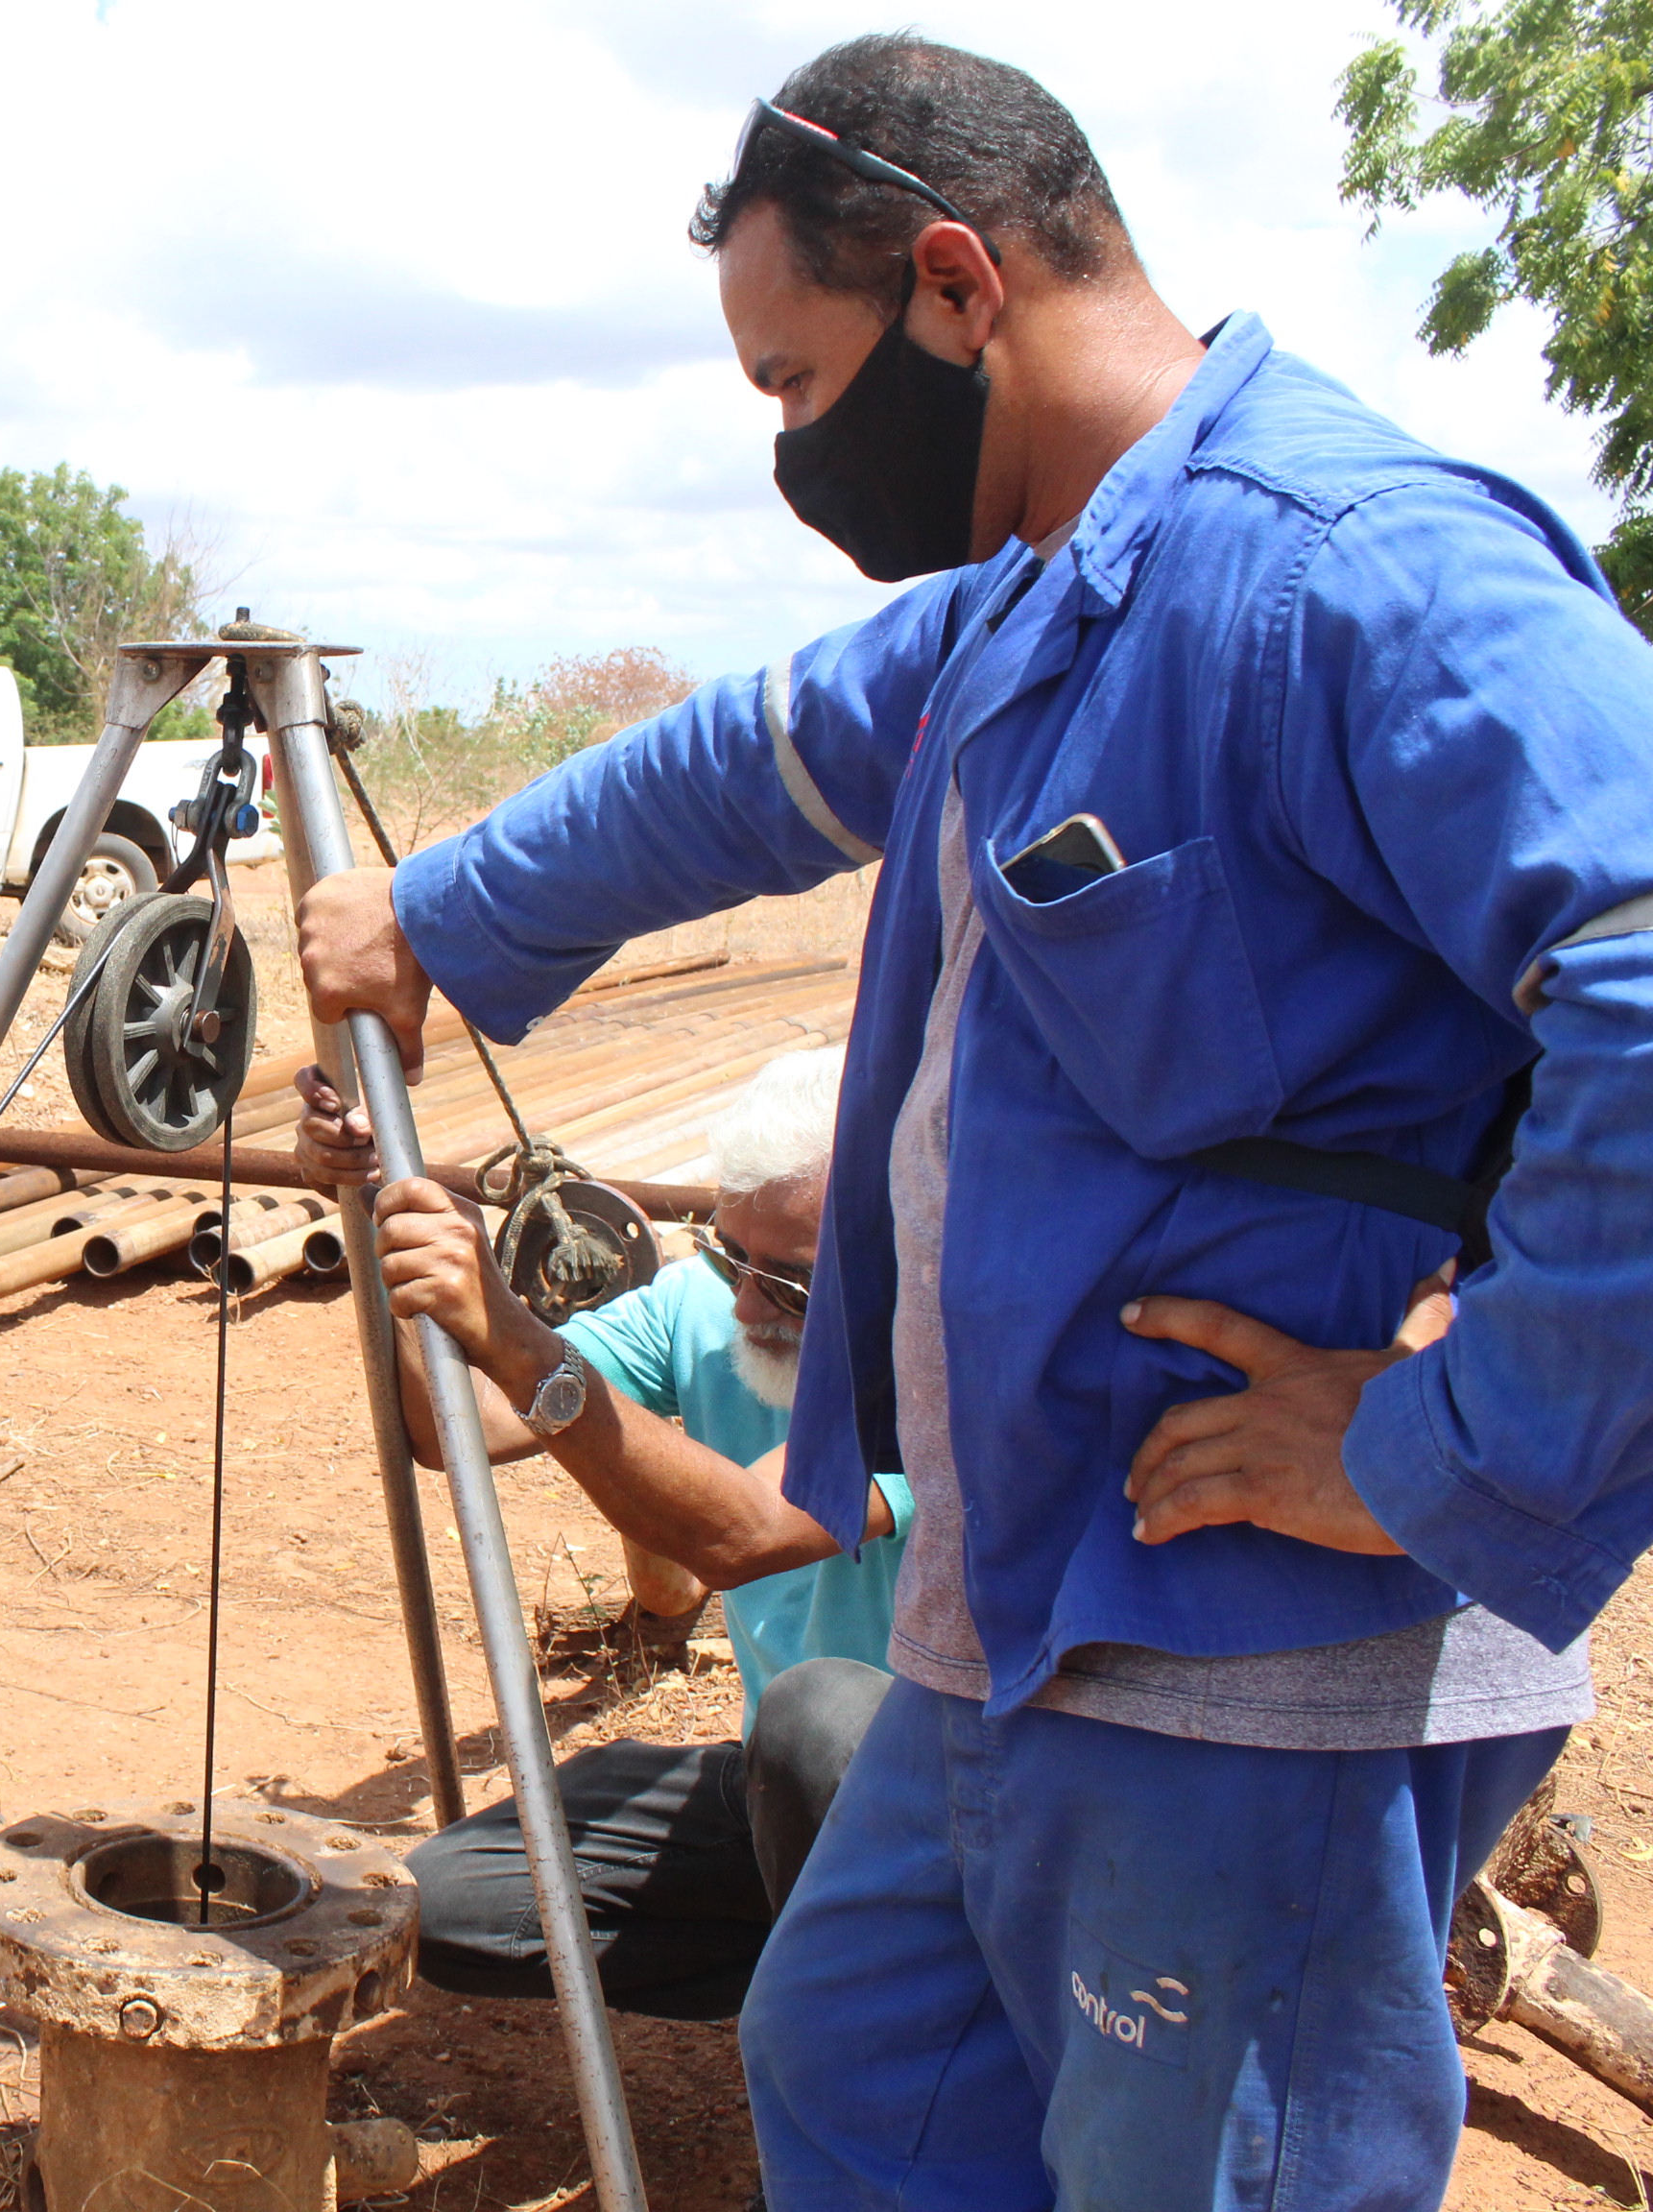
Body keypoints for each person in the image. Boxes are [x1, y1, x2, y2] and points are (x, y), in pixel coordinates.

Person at [295, 35, 1653, 2209]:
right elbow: (737, 763)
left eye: (790, 385)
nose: (789, 455)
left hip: (1245, 1656)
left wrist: (1435, 1451)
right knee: (855, 2066)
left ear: (949, 284)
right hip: (1012, 1616)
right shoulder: (1023, 612)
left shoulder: (1335, 570)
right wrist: (436, 915)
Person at [301, 1046, 900, 2021]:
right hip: (785, 1796)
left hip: (942, 1813)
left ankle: (883, 2056)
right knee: (447, 1904)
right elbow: (453, 1429)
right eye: (731, 1254)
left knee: (819, 1715)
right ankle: (827, 1980)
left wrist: (513, 1333)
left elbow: (740, 1534)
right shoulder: (711, 1308)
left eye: (788, 1282)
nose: (746, 1305)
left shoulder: (949, 1361)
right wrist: (380, 1228)